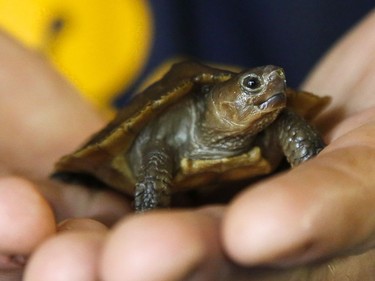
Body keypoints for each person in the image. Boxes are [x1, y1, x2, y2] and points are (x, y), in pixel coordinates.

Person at [0, 9, 374, 281]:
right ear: (220, 101)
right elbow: (153, 152)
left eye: (272, 82)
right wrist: (148, 212)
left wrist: (310, 159)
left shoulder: (275, 120)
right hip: (145, 152)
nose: (273, 83)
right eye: (252, 86)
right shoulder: (168, 134)